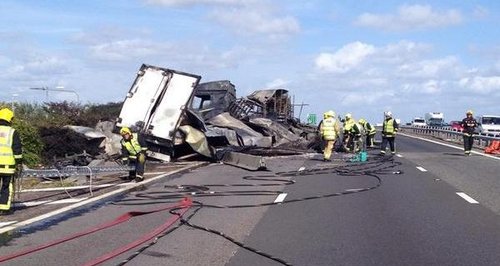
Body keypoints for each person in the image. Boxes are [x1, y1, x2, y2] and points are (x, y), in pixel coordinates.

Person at [0, 108, 22, 215]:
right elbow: (17, 149)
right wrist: (19, 162)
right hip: (8, 166)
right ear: (9, 119)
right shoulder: (12, 132)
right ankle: (4, 208)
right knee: (6, 186)